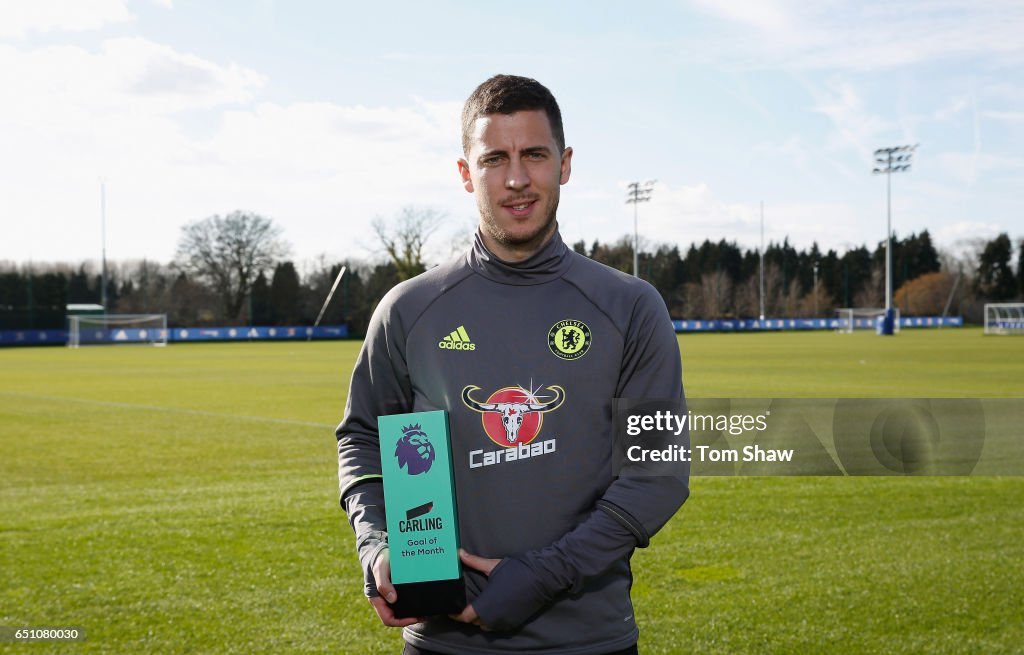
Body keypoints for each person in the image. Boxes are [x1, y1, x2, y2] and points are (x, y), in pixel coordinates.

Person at [337, 74, 689, 655]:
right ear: (465, 172)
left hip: (589, 640)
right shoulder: (409, 309)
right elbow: (363, 439)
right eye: (495, 158)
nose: (517, 179)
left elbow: (657, 475)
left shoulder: (630, 307)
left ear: (565, 164)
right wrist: (377, 545)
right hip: (444, 639)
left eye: (535, 155)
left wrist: (544, 573)